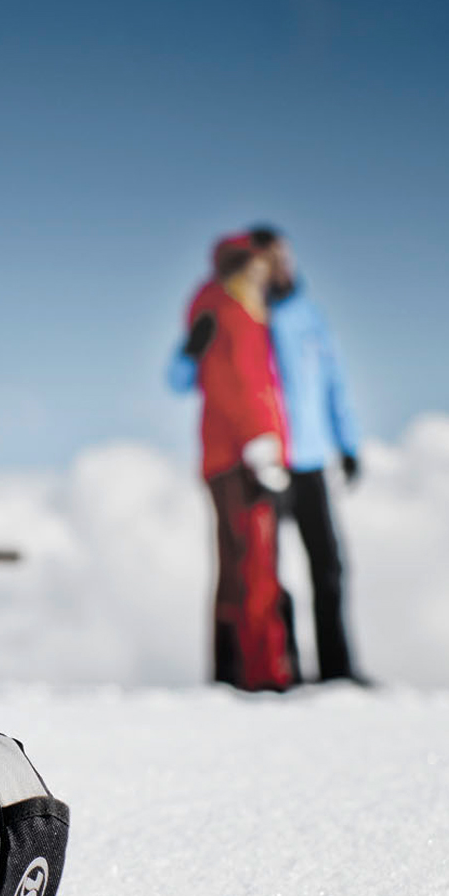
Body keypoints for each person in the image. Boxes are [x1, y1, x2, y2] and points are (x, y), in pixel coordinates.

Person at [249, 225, 366, 684]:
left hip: (312, 459)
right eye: (268, 258)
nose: (278, 266)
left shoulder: (312, 319)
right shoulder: (248, 317)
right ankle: (285, 667)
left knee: (329, 565)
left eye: (282, 257)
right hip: (267, 462)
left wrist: (349, 445)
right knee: (270, 572)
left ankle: (338, 670)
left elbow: (335, 387)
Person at [179, 234, 296, 691]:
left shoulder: (210, 306)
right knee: (257, 568)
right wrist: (264, 449)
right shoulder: (237, 313)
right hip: (245, 457)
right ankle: (263, 673)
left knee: (233, 567)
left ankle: (229, 672)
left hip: (221, 455)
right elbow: (246, 387)